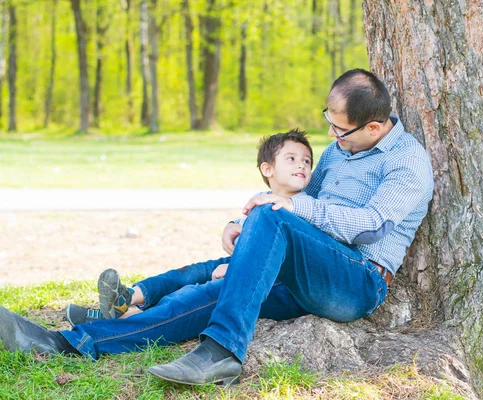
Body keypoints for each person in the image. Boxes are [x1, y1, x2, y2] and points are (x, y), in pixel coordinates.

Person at [0, 69, 434, 388]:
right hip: (305, 271)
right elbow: (298, 205)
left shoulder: (407, 162)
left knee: (271, 220)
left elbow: (372, 226)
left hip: (357, 280)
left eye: (339, 129)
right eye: (329, 121)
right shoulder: (339, 152)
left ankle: (223, 351)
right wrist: (243, 232)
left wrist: (280, 211)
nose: (331, 135)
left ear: (373, 126)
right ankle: (67, 343)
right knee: (202, 294)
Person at [63, 128, 314, 326]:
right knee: (187, 274)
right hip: (234, 264)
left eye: (306, 161)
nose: (301, 165)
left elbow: (286, 254)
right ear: (267, 168)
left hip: (260, 277)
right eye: (291, 159)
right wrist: (233, 228)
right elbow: (245, 227)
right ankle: (127, 297)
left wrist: (238, 268)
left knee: (192, 293)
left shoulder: (301, 207)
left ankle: (125, 319)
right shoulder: (262, 197)